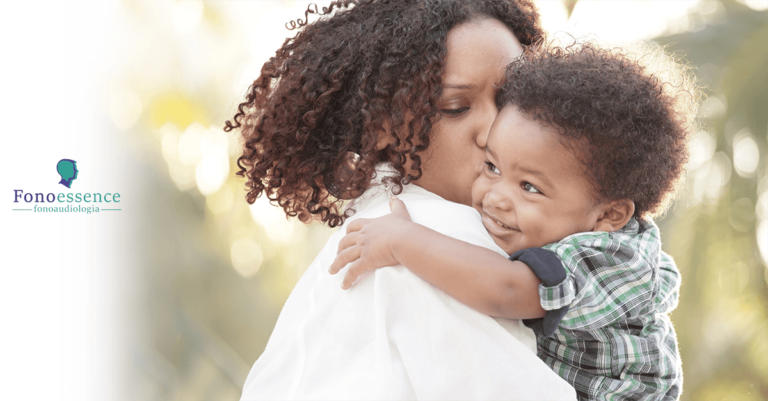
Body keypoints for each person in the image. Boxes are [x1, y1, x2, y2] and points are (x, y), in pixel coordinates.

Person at [228, 0, 576, 399]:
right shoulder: (432, 240)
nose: (496, 128)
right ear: (381, 128)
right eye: (457, 107)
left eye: (515, 98)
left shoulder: (374, 230)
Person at [331, 41, 698, 400]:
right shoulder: (560, 226)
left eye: (529, 187)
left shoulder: (607, 258)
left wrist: (404, 241)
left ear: (609, 215)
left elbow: (507, 291)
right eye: (492, 167)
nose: (495, 197)